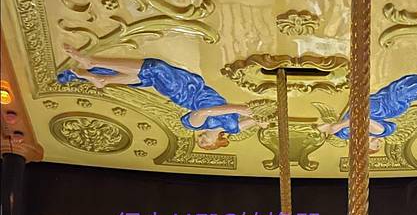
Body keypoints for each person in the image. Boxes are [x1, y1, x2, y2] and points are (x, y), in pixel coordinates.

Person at [58, 45, 268, 150]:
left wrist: (238, 108)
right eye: (206, 143)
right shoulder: (233, 128)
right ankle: (103, 79)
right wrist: (265, 121)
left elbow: (205, 111)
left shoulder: (193, 125)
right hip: (194, 85)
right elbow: (259, 120)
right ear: (217, 142)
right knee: (146, 76)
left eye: (200, 142)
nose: (201, 139)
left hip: (183, 92)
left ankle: (93, 62)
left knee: (154, 67)